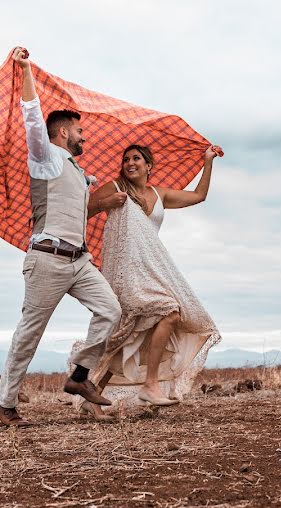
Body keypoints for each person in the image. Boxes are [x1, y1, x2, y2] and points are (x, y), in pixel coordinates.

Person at [0, 47, 125, 427]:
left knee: (110, 309)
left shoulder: (78, 172)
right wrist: (26, 69)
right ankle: (4, 401)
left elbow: (75, 212)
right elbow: (32, 116)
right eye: (80, 131)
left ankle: (79, 378)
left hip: (78, 261)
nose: (85, 137)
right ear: (63, 133)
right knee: (30, 333)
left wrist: (105, 200)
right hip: (47, 259)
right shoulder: (45, 155)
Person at [78, 143, 222, 418]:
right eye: (126, 159)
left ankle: (93, 392)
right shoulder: (114, 187)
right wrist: (107, 203)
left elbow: (199, 195)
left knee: (132, 330)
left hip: (149, 270)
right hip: (125, 273)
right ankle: (151, 385)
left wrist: (208, 160)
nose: (130, 163)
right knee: (169, 311)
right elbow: (81, 212)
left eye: (136, 159)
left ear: (148, 165)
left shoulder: (159, 194)